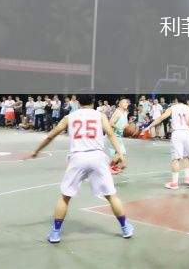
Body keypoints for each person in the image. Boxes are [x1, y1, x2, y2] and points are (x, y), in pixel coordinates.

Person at [28, 93, 133, 243]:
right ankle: (125, 228)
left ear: (77, 102)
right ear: (93, 101)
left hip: (77, 158)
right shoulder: (100, 115)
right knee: (111, 195)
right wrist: (120, 154)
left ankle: (55, 233)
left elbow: (51, 136)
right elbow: (111, 134)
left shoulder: (70, 117)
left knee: (65, 197)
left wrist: (36, 151)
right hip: (97, 157)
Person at [142, 96, 189, 190]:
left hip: (177, 133)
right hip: (188, 133)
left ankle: (174, 183)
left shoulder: (173, 107)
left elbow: (161, 118)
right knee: (187, 156)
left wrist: (149, 126)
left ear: (176, 100)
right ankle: (188, 178)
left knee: (175, 159)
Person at [108, 98, 130, 175]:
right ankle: (108, 168)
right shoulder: (118, 112)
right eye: (124, 102)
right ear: (119, 104)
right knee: (119, 154)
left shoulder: (125, 113)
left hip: (118, 136)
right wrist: (119, 128)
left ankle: (113, 166)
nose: (126, 104)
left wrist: (126, 125)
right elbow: (110, 123)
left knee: (123, 164)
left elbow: (124, 124)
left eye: (127, 102)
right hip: (114, 136)